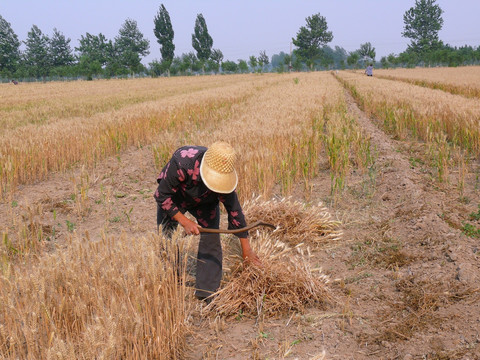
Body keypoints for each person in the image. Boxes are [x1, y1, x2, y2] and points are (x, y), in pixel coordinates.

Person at [154, 141, 260, 301]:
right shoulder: (182, 161)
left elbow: (236, 213)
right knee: (167, 236)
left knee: (211, 238)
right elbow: (162, 195)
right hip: (176, 197)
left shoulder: (225, 183)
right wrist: (184, 221)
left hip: (206, 202)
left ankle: (207, 292)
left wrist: (247, 251)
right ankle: (172, 279)